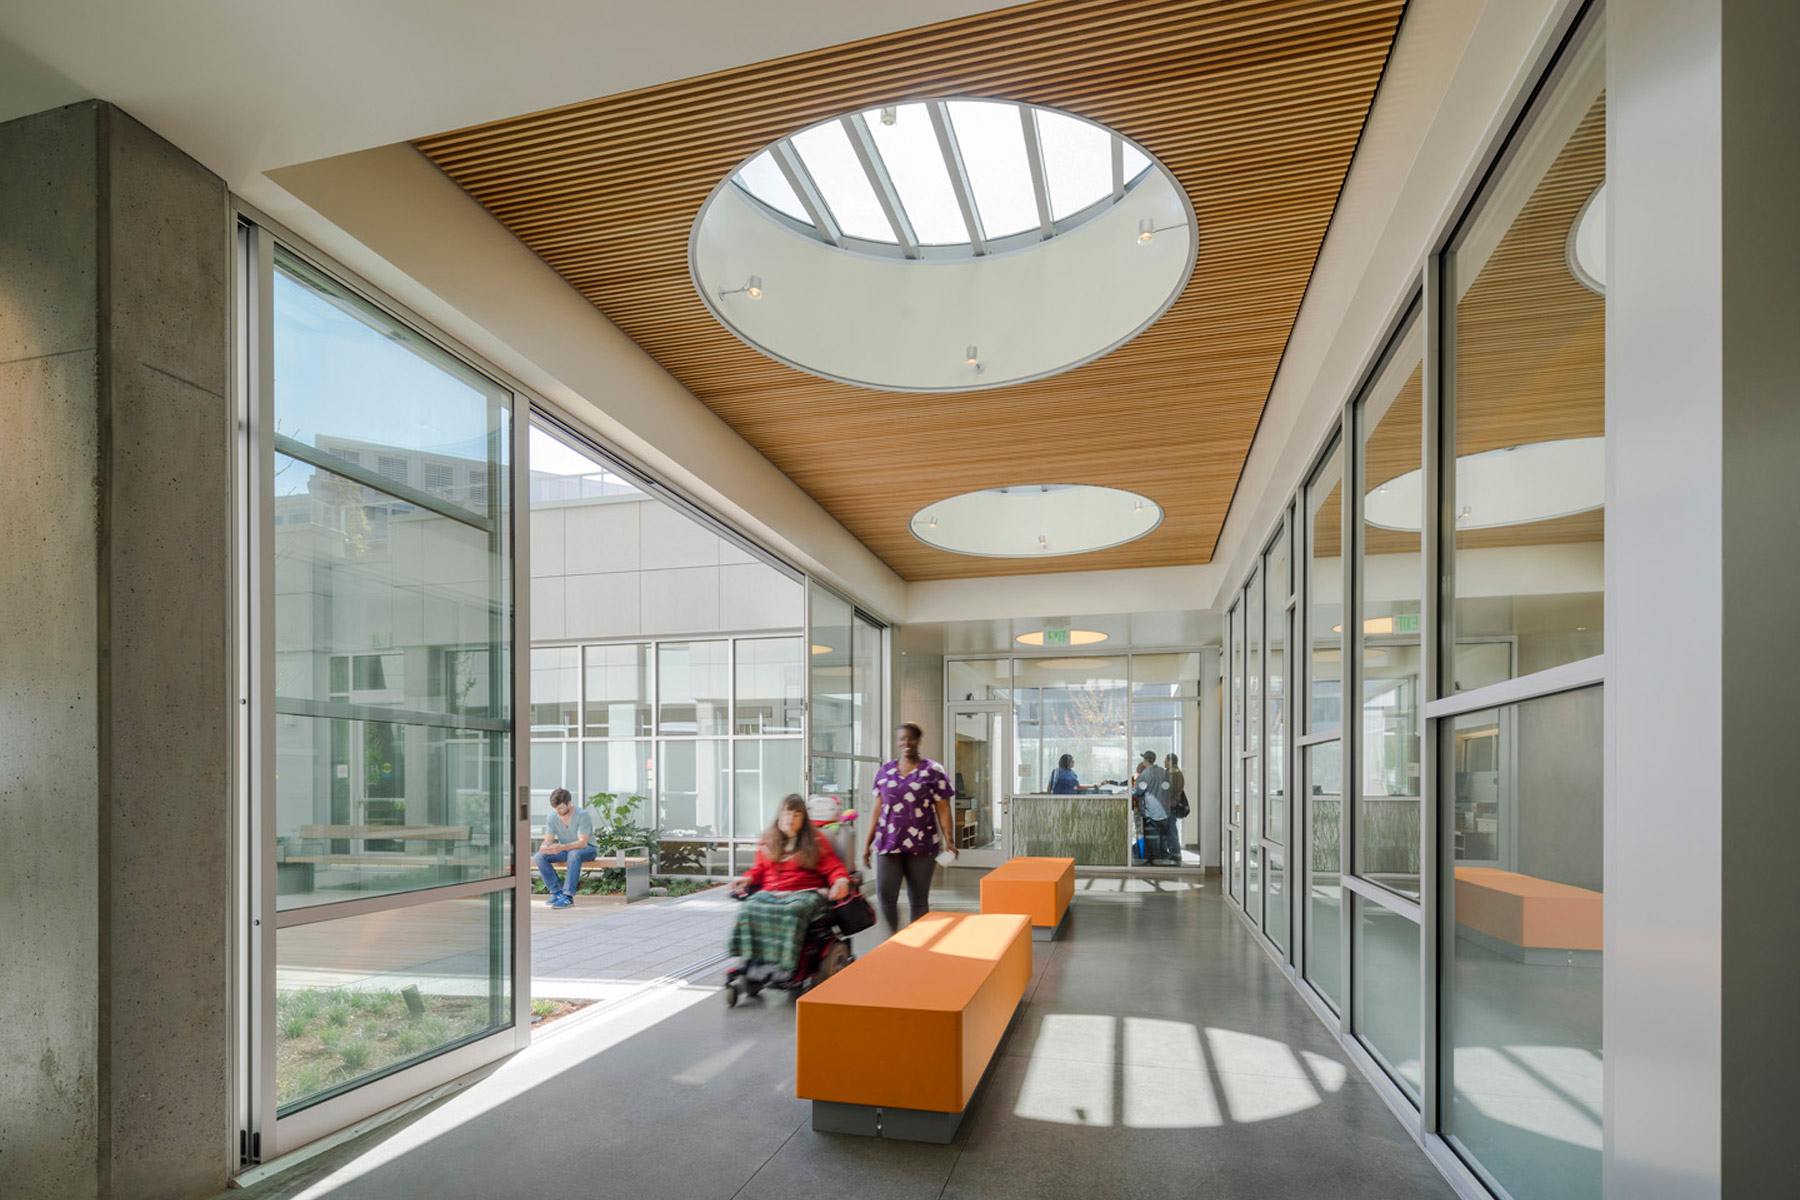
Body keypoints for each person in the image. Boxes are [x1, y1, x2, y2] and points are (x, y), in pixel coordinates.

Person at [729, 794, 852, 977]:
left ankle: (787, 963)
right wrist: (747, 879)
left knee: (794, 911)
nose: (791, 819)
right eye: (787, 814)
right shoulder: (768, 839)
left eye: (796, 815)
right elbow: (759, 869)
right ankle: (749, 958)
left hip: (806, 892)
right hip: (772, 891)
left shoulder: (815, 841)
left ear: (803, 819)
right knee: (749, 907)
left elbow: (834, 868)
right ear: (780, 816)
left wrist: (841, 881)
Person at [862, 722, 954, 932]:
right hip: (888, 843)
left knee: (919, 899)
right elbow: (877, 809)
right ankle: (893, 938)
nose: (906, 743)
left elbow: (943, 809)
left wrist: (950, 841)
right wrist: (867, 844)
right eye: (902, 738)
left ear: (919, 740)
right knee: (886, 896)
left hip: (922, 844)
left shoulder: (934, 771)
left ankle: (917, 942)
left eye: (911, 738)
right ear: (897, 742)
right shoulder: (884, 771)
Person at [533, 788, 598, 908]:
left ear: (569, 803)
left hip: (587, 850)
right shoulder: (552, 816)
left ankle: (568, 896)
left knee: (574, 854)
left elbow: (583, 843)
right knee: (538, 857)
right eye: (555, 808)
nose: (558, 811)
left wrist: (561, 847)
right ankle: (557, 892)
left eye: (561, 808)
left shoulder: (582, 815)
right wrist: (545, 847)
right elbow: (548, 839)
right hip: (566, 850)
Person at [1131, 750, 1171, 867]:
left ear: (1145, 761)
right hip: (1163, 811)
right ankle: (1161, 859)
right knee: (1162, 838)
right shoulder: (1163, 772)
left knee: (1151, 838)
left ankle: (1154, 862)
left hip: (1151, 811)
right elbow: (1167, 787)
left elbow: (1138, 791)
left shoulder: (1145, 774)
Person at [1163, 753, 1188, 866]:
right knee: (1171, 829)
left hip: (1170, 805)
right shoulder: (1178, 772)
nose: (1164, 762)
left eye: (1165, 760)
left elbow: (1169, 791)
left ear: (1170, 761)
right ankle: (1175, 852)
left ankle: (1176, 853)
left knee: (1171, 830)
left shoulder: (1171, 773)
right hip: (1173, 804)